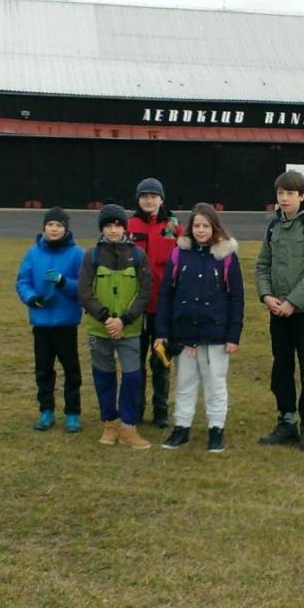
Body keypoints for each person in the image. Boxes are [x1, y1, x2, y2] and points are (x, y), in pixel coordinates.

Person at [154, 203, 244, 453]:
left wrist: (233, 335)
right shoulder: (179, 255)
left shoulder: (226, 257)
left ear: (214, 227)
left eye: (206, 226)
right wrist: (162, 332)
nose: (201, 230)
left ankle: (216, 430)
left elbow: (236, 298)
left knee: (215, 384)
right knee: (185, 383)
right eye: (196, 226)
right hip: (184, 333)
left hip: (216, 334)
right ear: (190, 228)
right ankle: (181, 428)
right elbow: (166, 296)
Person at [256, 171, 304, 453]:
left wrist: (292, 302)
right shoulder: (273, 226)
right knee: (281, 366)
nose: (284, 198)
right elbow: (263, 264)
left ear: (302, 196)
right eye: (280, 193)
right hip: (277, 310)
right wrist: (267, 296)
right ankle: (286, 420)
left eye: (289, 193)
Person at [79, 203, 153, 449]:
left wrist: (124, 320)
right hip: (99, 329)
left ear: (125, 227)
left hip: (129, 329)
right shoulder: (92, 256)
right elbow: (84, 292)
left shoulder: (138, 256)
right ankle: (110, 422)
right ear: (102, 228)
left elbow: (144, 292)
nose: (113, 230)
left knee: (132, 376)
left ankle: (129, 427)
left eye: (118, 225)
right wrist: (106, 318)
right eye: (108, 226)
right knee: (103, 375)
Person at [15, 207, 85, 433]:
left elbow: (83, 288)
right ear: (44, 227)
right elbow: (23, 281)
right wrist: (31, 298)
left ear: (66, 229)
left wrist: (64, 282)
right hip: (42, 323)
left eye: (59, 225)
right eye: (51, 225)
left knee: (71, 370)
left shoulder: (77, 255)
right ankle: (46, 410)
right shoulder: (33, 253)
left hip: (66, 324)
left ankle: (72, 413)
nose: (54, 229)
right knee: (43, 369)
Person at [127, 177, 183, 428]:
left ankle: (161, 411)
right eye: (144, 196)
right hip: (136, 306)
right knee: (135, 361)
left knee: (161, 360)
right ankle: (136, 409)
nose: (149, 200)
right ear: (138, 199)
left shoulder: (173, 226)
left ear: (162, 199)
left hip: (163, 306)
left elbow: (185, 259)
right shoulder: (129, 225)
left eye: (154, 196)